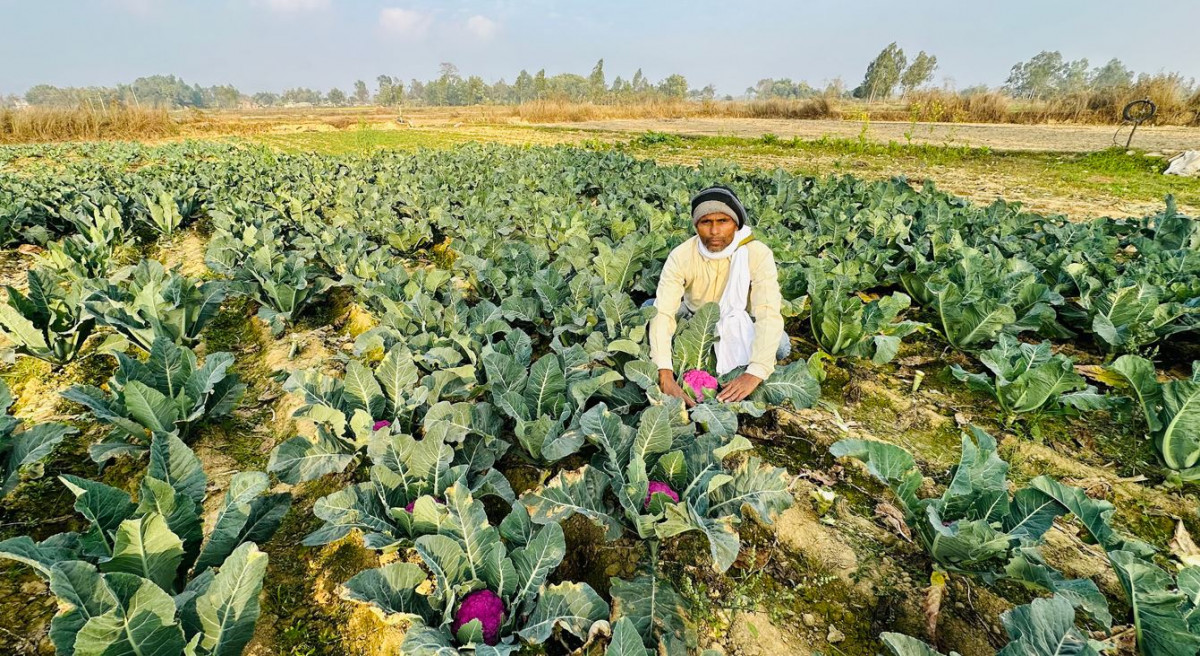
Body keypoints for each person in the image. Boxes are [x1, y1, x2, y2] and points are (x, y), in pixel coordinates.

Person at [646, 186, 788, 407]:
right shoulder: (681, 255)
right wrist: (664, 374)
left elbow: (767, 312)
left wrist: (755, 373)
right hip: (694, 319)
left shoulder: (757, 254)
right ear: (696, 225)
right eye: (706, 222)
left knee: (780, 344)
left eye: (723, 221)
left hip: (737, 321)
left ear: (737, 224)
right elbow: (664, 312)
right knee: (649, 314)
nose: (714, 231)